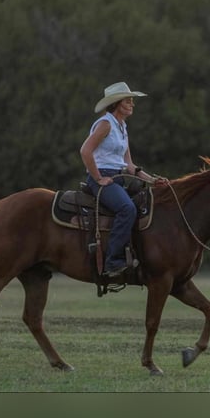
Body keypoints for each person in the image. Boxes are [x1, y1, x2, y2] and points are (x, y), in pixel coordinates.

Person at [80, 82, 159, 277]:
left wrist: (153, 180)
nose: (132, 104)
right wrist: (98, 178)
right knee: (127, 208)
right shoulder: (105, 124)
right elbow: (85, 151)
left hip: (119, 179)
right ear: (116, 103)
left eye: (132, 101)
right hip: (104, 178)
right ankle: (112, 261)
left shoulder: (122, 127)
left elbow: (129, 165)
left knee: (144, 205)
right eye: (128, 101)